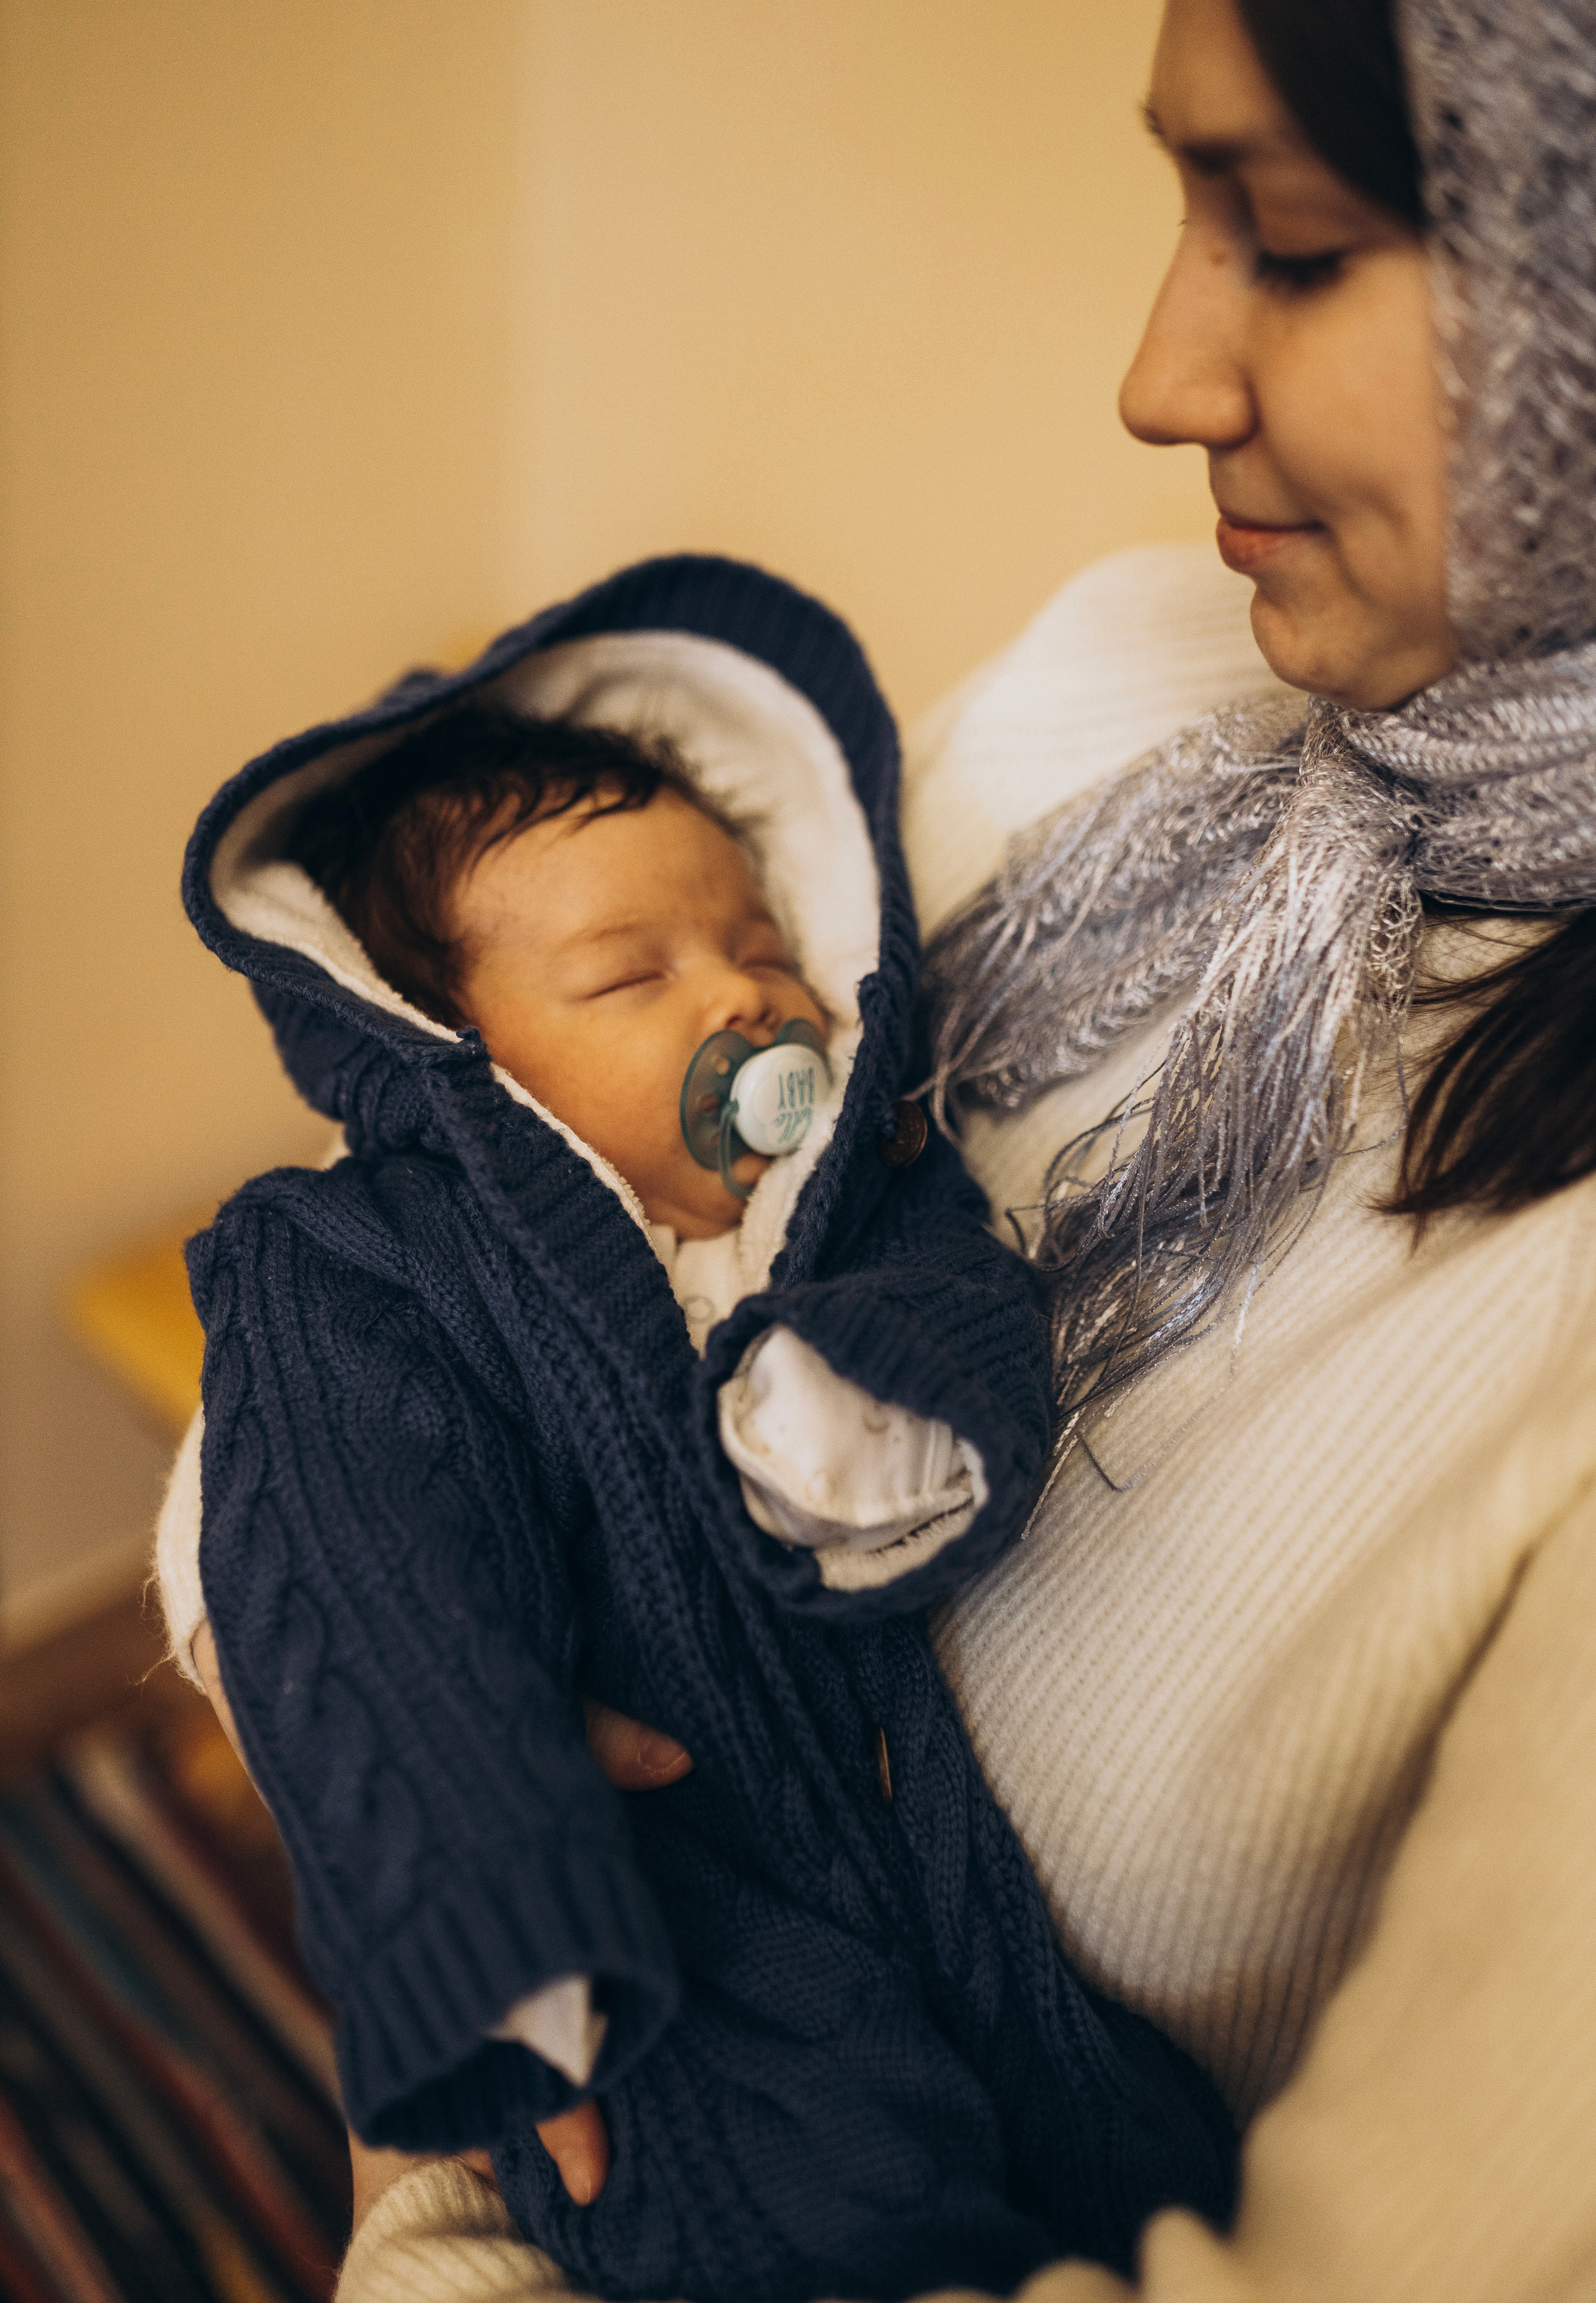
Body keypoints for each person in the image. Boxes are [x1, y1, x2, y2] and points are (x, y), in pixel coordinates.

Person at [313, 0, 1596, 2295]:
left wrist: (442, 2238)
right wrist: (408, 1790)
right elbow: (449, 1245)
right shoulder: (1123, 681)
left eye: (1302, 234)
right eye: (1183, 204)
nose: (1155, 380)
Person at [155, 552, 1235, 2303]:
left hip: (946, 1880)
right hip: (670, 1955)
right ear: (454, 1053)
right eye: (626, 973)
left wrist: (871, 1421)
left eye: (754, 941)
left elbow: (977, 1341)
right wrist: (498, 1939)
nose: (740, 997)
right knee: (815, 2231)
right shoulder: (354, 1262)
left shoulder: (867, 1196)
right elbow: (356, 1579)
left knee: (1135, 2162)